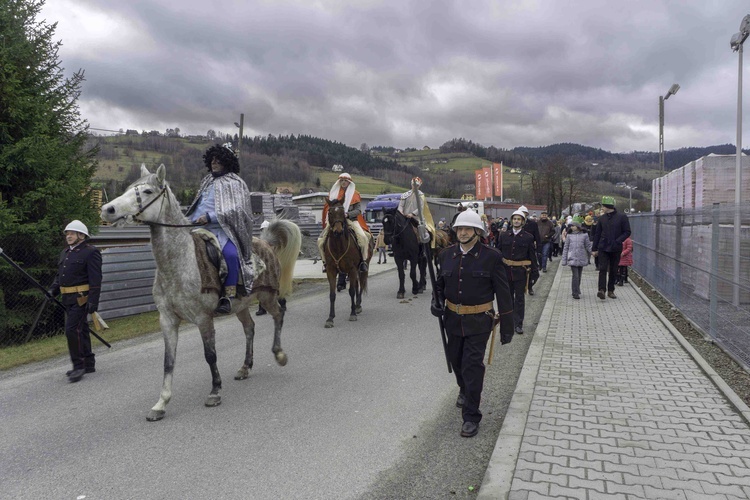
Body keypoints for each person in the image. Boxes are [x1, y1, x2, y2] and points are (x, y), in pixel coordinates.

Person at [431, 209, 514, 438]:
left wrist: (508, 326)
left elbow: (504, 293)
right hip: (452, 320)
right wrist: (435, 302)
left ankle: (471, 415)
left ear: (477, 231)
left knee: (472, 366)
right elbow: (440, 285)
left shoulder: (492, 256)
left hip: (479, 322)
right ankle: (465, 390)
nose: (463, 232)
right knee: (456, 362)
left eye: (468, 229)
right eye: (460, 228)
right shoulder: (446, 255)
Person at [186, 143, 255, 314]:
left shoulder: (236, 183)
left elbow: (238, 210)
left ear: (226, 161)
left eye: (217, 160)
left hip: (223, 231)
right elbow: (198, 205)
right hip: (198, 228)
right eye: (212, 160)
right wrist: (188, 219)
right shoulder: (207, 180)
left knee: (231, 255)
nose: (213, 163)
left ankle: (228, 296)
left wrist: (209, 218)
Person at [48, 220, 102, 383]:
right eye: (67, 233)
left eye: (72, 233)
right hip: (67, 298)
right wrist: (53, 290)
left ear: (81, 235)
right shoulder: (65, 252)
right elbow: (61, 276)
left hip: (81, 299)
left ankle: (78, 366)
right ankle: (89, 363)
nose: (68, 236)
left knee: (71, 330)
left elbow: (96, 279)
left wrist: (93, 301)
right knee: (81, 329)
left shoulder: (90, 252)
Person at [318, 172, 371, 275]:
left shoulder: (355, 194)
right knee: (320, 241)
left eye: (345, 181)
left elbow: (358, 210)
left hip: (351, 220)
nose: (343, 182)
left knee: (363, 238)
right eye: (341, 180)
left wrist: (347, 214)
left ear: (349, 182)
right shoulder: (334, 193)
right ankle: (325, 263)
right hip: (336, 221)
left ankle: (363, 262)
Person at [497, 209, 539, 334]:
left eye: (519, 219)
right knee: (507, 299)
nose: (516, 221)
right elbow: (498, 253)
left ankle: (518, 323)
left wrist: (534, 272)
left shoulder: (528, 237)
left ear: (523, 221)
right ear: (511, 221)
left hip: (521, 273)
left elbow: (532, 255)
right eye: (514, 219)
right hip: (505, 272)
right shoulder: (504, 235)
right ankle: (508, 323)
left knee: (519, 299)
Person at [592, 195, 631, 300]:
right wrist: (594, 248)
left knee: (613, 269)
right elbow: (597, 234)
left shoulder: (622, 217)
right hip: (603, 247)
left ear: (608, 206)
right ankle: (601, 290)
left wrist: (618, 240)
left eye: (603, 207)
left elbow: (627, 231)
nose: (602, 209)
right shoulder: (602, 218)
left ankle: (611, 290)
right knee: (603, 268)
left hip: (616, 247)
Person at [397, 177, 435, 246]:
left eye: (416, 185)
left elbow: (420, 208)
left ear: (419, 186)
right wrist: (401, 212)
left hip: (416, 218)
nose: (414, 187)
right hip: (404, 217)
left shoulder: (421, 195)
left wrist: (412, 214)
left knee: (423, 232)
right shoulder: (405, 195)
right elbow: (401, 205)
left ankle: (424, 248)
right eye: (413, 185)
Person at [561, 216, 592, 299]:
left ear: (578, 226)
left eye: (573, 226)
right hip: (572, 258)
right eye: (571, 226)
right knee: (575, 276)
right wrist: (564, 260)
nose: (571, 227)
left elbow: (588, 245)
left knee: (579, 275)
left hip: (581, 257)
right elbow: (566, 248)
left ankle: (576, 289)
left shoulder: (584, 235)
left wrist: (593, 252)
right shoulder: (569, 236)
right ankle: (575, 292)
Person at [518, 206, 541, 295]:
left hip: (529, 250)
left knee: (533, 270)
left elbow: (537, 237)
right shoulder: (513, 223)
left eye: (524, 213)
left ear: (527, 214)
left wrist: (539, 249)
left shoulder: (532, 224)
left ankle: (530, 286)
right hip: (517, 250)